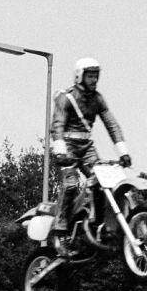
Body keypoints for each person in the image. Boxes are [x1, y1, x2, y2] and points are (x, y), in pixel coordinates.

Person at [50, 56, 130, 234]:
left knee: (103, 181)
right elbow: (57, 125)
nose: (94, 80)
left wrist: (122, 151)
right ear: (80, 76)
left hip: (87, 148)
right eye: (90, 76)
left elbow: (112, 124)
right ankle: (60, 226)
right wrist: (61, 152)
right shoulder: (66, 98)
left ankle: (96, 221)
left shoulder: (98, 99)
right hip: (68, 147)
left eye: (96, 76)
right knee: (71, 184)